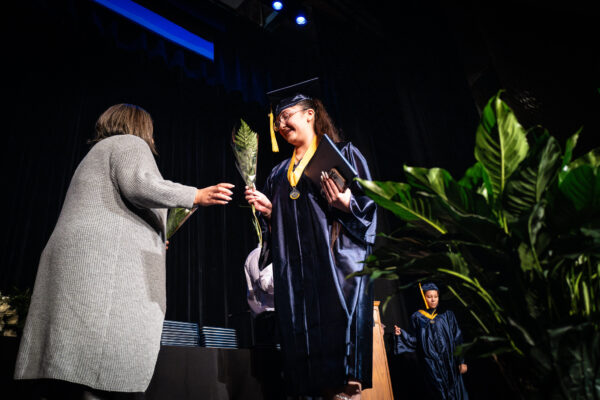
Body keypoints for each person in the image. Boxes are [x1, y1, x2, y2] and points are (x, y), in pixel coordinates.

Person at [14, 104, 234, 399]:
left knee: (70, 369)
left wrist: (152, 238)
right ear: (142, 127)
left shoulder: (96, 153)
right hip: (102, 270)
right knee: (98, 371)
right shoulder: (130, 143)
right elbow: (140, 184)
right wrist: (194, 195)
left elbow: (113, 211)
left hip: (81, 262)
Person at [245, 78, 377, 399]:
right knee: (308, 380)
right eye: (277, 120)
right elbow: (282, 240)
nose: (280, 123)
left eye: (287, 115)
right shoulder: (277, 175)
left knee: (340, 378)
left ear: (310, 115)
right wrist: (270, 216)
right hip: (298, 285)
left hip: (335, 271)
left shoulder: (343, 153)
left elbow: (370, 210)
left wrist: (347, 204)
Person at [394, 282, 469, 399]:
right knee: (438, 393)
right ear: (423, 297)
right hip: (431, 364)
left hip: (450, 361)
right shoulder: (417, 317)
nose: (433, 300)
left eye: (436, 296)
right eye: (429, 297)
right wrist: (401, 334)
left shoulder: (447, 315)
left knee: (456, 392)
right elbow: (414, 341)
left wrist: (462, 361)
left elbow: (457, 337)